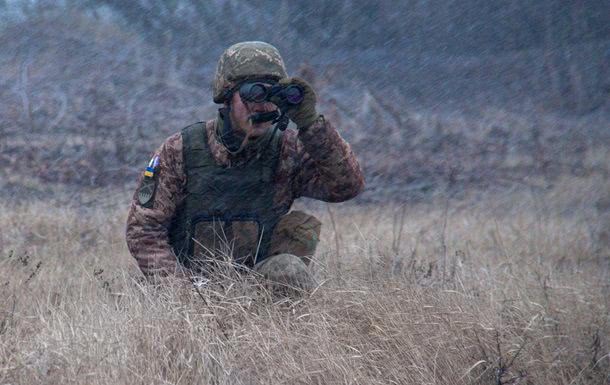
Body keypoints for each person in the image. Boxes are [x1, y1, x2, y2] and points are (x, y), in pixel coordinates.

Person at [125, 41, 364, 292]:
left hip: (257, 287)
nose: (263, 106)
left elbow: (346, 187)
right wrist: (184, 291)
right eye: (253, 94)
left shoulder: (288, 150)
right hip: (188, 284)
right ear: (227, 96)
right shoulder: (180, 149)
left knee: (289, 271)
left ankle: (280, 330)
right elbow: (144, 231)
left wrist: (310, 123)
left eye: (273, 96)